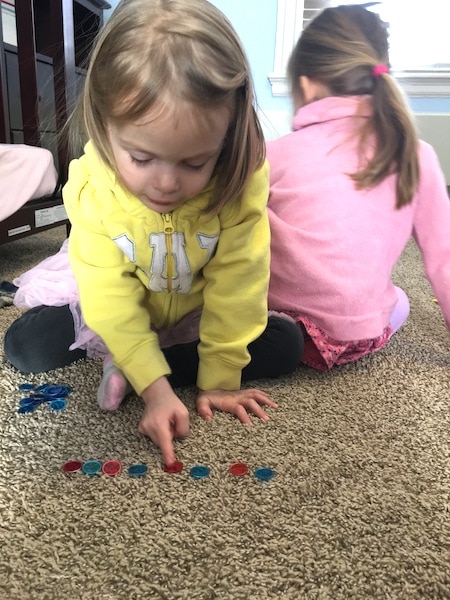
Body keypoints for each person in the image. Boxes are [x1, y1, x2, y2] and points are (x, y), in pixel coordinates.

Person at [3, 0, 304, 465]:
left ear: (226, 138)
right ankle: (132, 360)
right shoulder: (93, 188)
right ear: (104, 127)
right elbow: (109, 295)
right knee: (24, 347)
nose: (165, 184)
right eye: (141, 159)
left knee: (286, 345)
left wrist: (219, 380)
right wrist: (156, 390)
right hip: (119, 304)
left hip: (194, 312)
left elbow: (239, 282)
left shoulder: (239, 185)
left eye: (194, 162)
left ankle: (146, 363)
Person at [266, 5, 450, 371]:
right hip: (357, 335)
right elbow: (444, 260)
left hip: (274, 318)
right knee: (401, 301)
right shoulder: (416, 155)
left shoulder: (275, 153)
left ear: (306, 83)